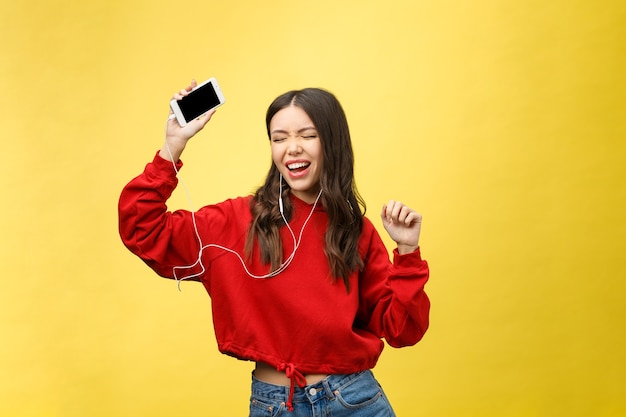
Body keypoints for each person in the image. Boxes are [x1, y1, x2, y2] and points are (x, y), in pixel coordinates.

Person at [118, 79, 430, 416]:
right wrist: (172, 146)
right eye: (279, 138)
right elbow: (141, 228)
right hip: (275, 406)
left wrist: (407, 252)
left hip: (354, 400)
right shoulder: (235, 222)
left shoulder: (356, 231)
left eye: (307, 135)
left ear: (333, 143)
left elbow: (403, 330)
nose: (291, 148)